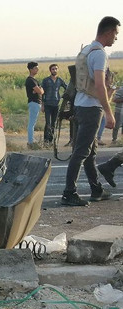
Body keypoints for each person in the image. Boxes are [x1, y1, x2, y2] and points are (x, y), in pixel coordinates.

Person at [61, 16, 120, 206]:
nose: (116, 38)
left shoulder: (86, 50)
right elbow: (101, 85)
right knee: (81, 152)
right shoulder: (99, 53)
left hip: (81, 105)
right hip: (91, 108)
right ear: (109, 32)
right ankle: (69, 193)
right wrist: (109, 113)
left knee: (90, 151)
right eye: (116, 34)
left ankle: (96, 189)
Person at [41, 64, 67, 145]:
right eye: (53, 69)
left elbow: (67, 88)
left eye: (56, 69)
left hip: (56, 104)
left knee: (54, 123)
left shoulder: (60, 80)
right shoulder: (46, 80)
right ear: (50, 70)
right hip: (47, 104)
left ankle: (51, 140)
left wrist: (63, 96)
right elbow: (42, 93)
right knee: (48, 123)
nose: (54, 70)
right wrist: (42, 105)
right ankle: (46, 140)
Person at [25, 62, 44, 148]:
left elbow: (41, 90)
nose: (37, 70)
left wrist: (39, 90)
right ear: (31, 69)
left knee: (33, 122)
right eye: (35, 68)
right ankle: (30, 141)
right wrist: (39, 90)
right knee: (32, 123)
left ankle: (31, 140)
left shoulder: (35, 80)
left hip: (37, 102)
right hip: (34, 102)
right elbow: (40, 91)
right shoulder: (30, 80)